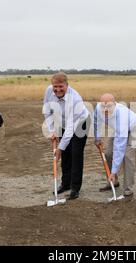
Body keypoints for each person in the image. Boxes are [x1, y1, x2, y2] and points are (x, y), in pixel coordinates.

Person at [42, 72, 90, 200]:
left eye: (60, 87)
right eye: (55, 87)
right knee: (66, 155)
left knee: (75, 154)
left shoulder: (75, 99)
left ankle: (75, 188)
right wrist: (52, 131)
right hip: (62, 122)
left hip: (80, 124)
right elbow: (47, 111)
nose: (57, 89)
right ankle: (65, 184)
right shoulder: (48, 91)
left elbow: (71, 128)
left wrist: (60, 148)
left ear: (67, 85)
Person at [94, 93, 136, 197]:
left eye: (109, 106)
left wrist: (114, 171)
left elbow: (119, 148)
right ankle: (113, 181)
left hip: (135, 129)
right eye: (103, 106)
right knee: (108, 153)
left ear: (115, 104)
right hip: (119, 130)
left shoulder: (121, 115)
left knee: (127, 156)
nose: (105, 109)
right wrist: (97, 138)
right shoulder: (98, 107)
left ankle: (128, 190)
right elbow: (96, 122)